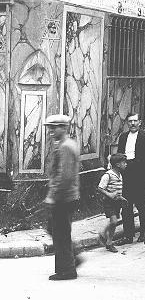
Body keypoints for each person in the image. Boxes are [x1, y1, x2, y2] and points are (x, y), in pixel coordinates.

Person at [44, 114, 81, 281]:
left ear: (64, 128)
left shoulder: (65, 146)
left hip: (63, 197)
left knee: (60, 234)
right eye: (49, 127)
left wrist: (53, 196)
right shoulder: (67, 144)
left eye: (54, 127)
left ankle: (67, 270)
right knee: (56, 229)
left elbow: (64, 176)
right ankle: (73, 259)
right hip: (68, 196)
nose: (51, 130)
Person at [116, 113, 145, 245]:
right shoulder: (123, 137)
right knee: (126, 206)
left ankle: (143, 233)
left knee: (142, 206)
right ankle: (128, 236)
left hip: (141, 175)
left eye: (135, 121)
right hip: (126, 173)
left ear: (140, 122)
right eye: (130, 121)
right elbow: (119, 156)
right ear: (127, 123)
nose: (132, 124)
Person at [97, 153, 128, 253]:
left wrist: (122, 198)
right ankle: (105, 236)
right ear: (118, 164)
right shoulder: (108, 175)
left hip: (117, 202)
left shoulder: (120, 175)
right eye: (124, 163)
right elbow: (100, 188)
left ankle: (108, 241)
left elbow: (118, 190)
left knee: (113, 223)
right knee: (114, 221)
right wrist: (109, 195)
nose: (126, 164)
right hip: (109, 202)